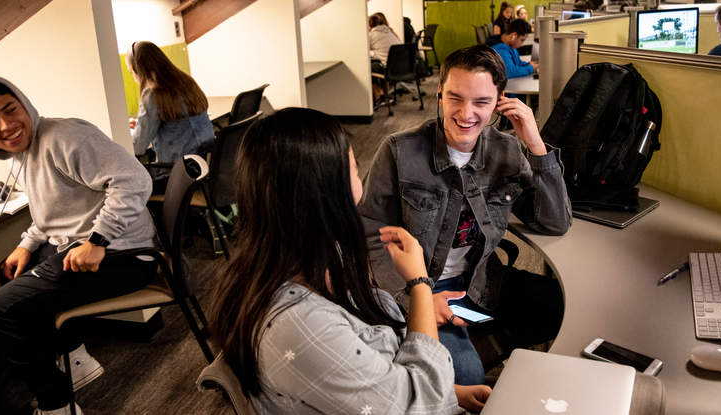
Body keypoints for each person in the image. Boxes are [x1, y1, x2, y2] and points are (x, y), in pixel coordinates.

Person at [209, 108, 492, 414]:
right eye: (356, 170)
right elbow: (414, 405)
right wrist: (420, 284)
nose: (362, 180)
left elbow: (375, 374)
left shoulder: (313, 256)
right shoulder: (300, 325)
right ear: (328, 191)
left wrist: (452, 393)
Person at [359, 45, 572, 386]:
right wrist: (419, 299)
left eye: (481, 102)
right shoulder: (398, 151)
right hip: (423, 284)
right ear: (440, 93)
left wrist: (535, 145)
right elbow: (370, 237)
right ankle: (473, 347)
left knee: (561, 307)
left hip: (482, 280)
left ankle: (487, 341)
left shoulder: (506, 150)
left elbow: (554, 221)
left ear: (500, 100)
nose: (466, 113)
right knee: (466, 376)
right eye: (455, 98)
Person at [0, 76, 157, 415]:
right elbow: (52, 213)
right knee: (9, 272)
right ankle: (75, 357)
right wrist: (26, 245)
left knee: (1, 308)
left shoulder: (64, 136)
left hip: (125, 255)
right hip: (84, 249)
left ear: (24, 104)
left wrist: (98, 240)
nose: (6, 125)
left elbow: (135, 181)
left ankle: (58, 405)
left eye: (10, 110)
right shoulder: (21, 155)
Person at [127, 41, 215, 163]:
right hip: (205, 163)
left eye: (132, 72)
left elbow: (138, 147)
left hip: (178, 171)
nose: (134, 77)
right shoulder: (186, 80)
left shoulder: (153, 93)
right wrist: (141, 123)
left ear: (139, 69)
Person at [368, 12, 402, 102]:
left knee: (368, 68)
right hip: (400, 66)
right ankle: (386, 95)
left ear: (370, 24)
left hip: (387, 68)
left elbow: (363, 52)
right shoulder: (390, 32)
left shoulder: (371, 35)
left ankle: (378, 95)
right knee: (377, 64)